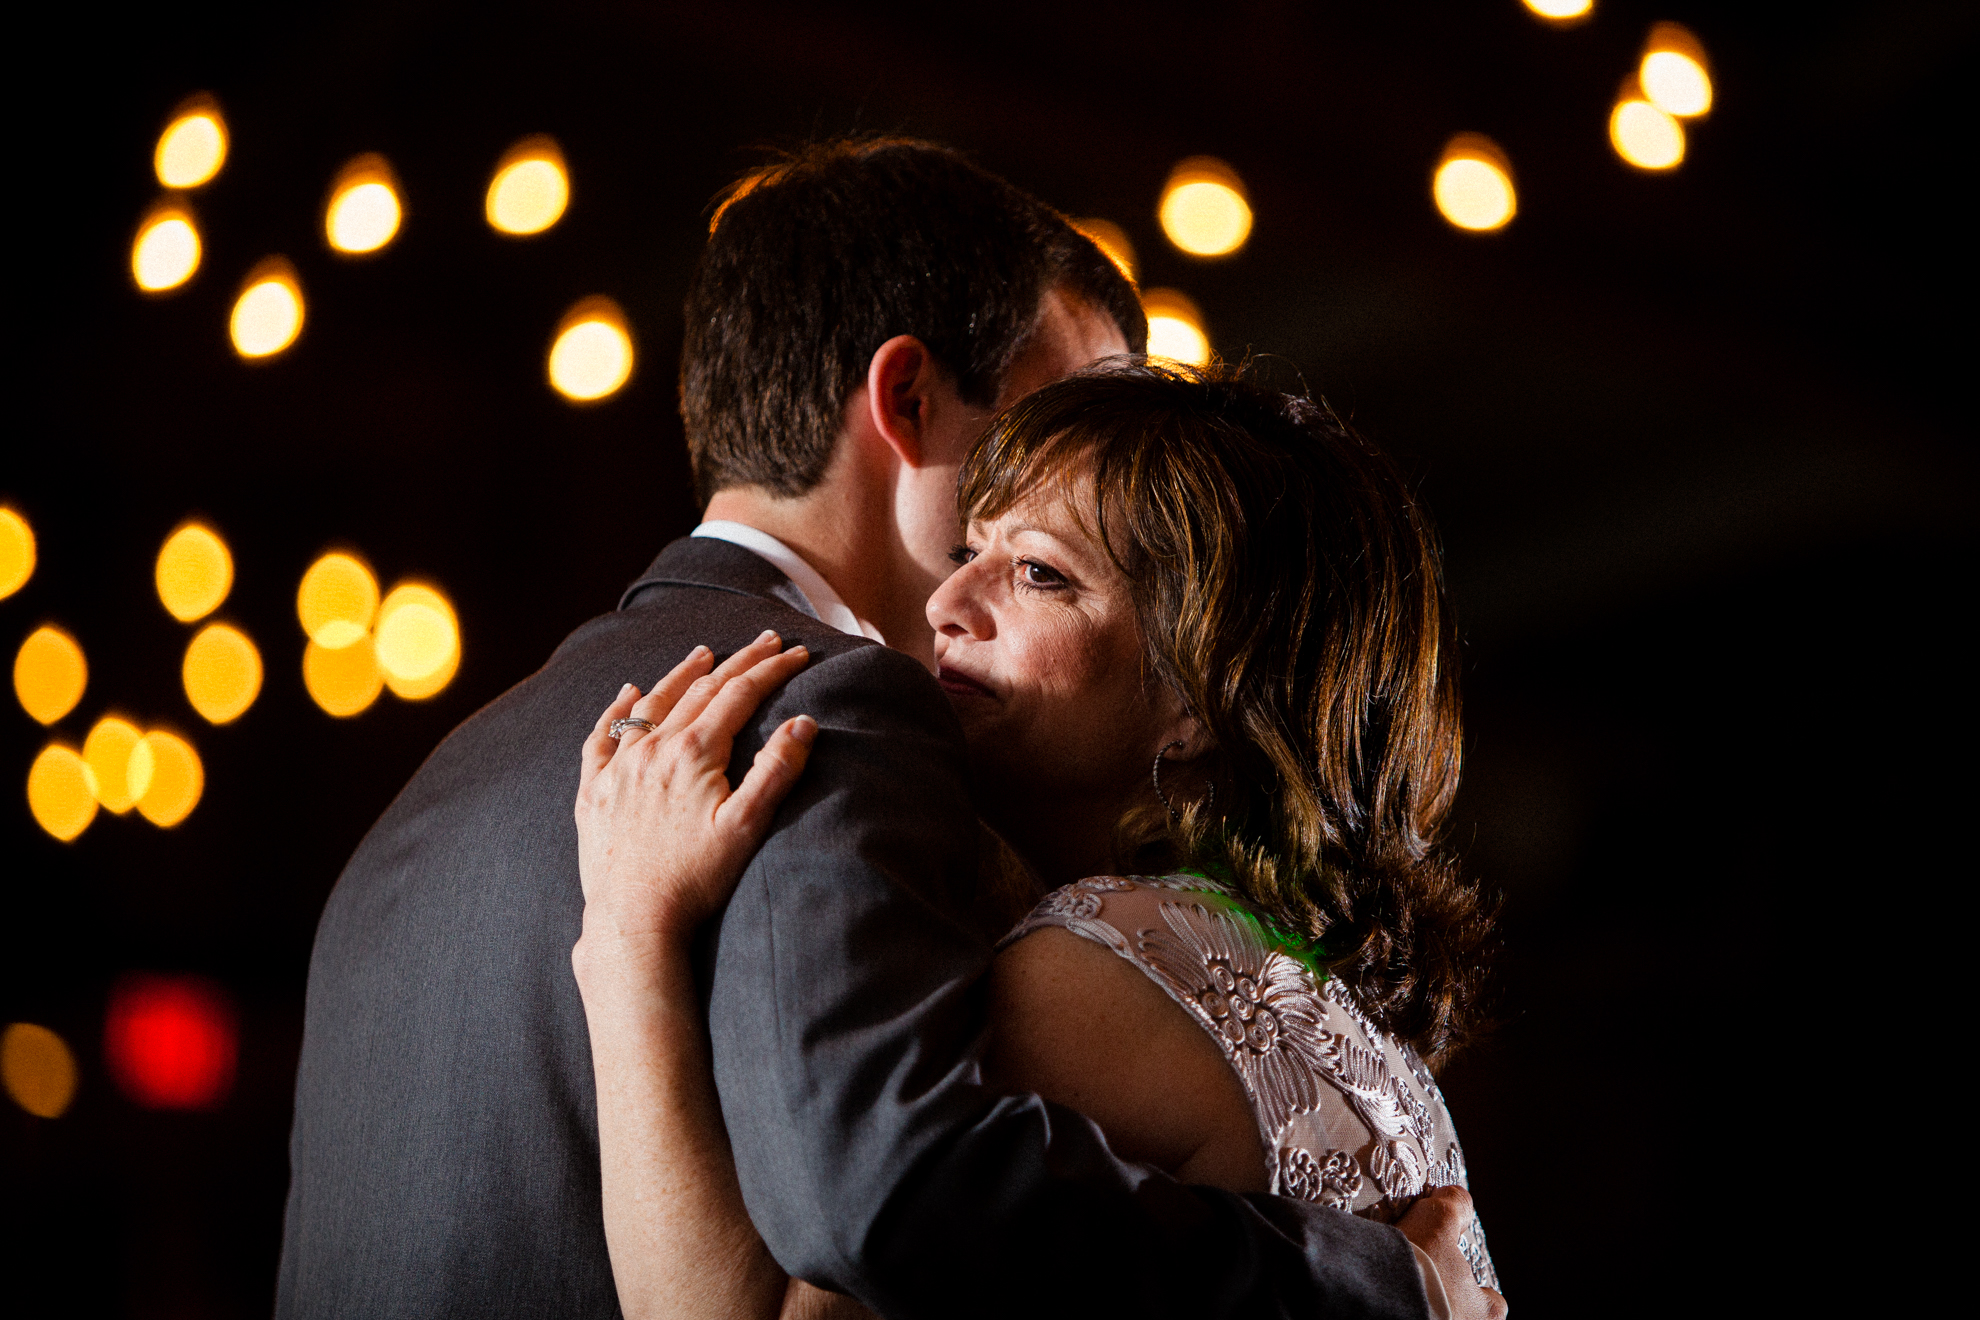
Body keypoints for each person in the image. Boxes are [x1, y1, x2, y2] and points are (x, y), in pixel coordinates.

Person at [277, 138, 1470, 1320]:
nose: (965, 590)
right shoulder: (835, 709)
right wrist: (1363, 1287)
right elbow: (883, 1198)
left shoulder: (426, 797)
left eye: (1046, 564)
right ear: (906, 398)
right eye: (1053, 422)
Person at [574, 362, 1507, 1320]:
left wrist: (627, 933)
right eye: (966, 552)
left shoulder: (1113, 964)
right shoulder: (1293, 975)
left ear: (1198, 694)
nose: (945, 604)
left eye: (1037, 573)